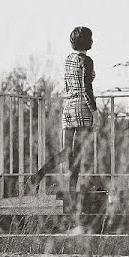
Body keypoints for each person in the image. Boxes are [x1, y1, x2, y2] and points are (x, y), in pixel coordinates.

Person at [30, 26, 99, 214]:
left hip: (68, 107)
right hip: (82, 108)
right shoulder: (87, 60)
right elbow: (87, 88)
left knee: (67, 151)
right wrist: (94, 112)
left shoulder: (68, 59)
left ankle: (38, 175)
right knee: (77, 154)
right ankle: (71, 194)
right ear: (87, 41)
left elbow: (69, 84)